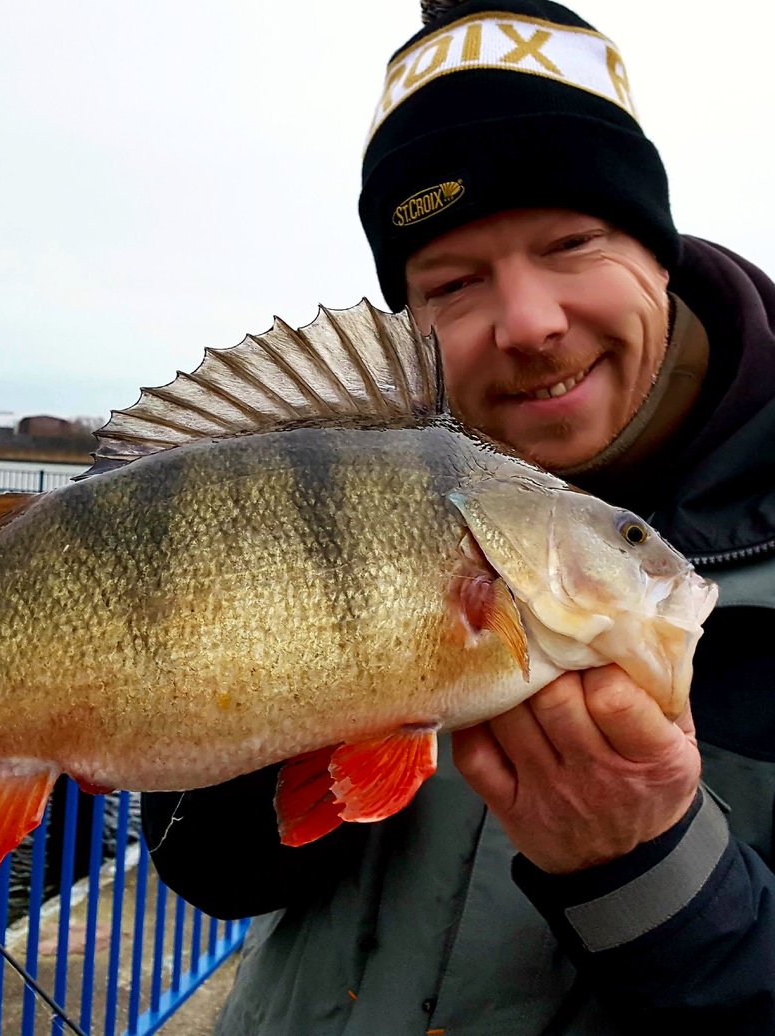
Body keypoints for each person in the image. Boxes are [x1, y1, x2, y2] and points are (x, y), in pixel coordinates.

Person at [141, 1, 775, 1031]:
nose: (528, 322)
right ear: (412, 317)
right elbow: (218, 876)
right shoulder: (358, 474)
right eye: (454, 279)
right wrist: (226, 722)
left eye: (572, 242)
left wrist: (652, 868)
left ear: (657, 250)